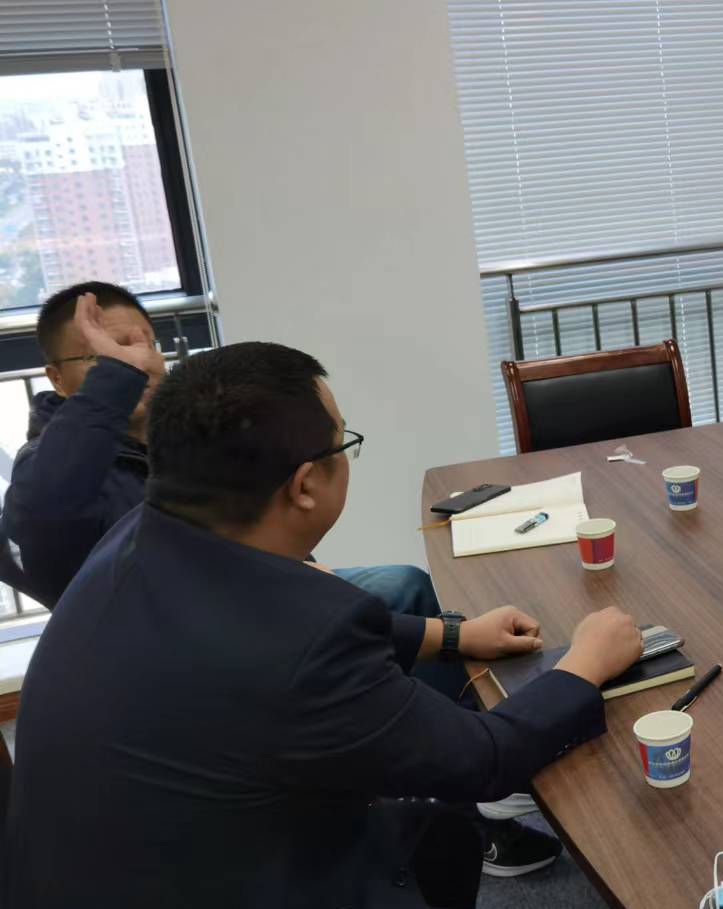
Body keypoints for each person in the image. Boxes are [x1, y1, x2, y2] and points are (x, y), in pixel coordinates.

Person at [1, 341, 645, 909]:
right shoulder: (302, 641)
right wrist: (583, 665)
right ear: (306, 485)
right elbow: (484, 758)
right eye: (345, 443)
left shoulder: (140, 535)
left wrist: (453, 635)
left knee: (438, 837)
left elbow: (289, 620)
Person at [0, 282, 559, 874]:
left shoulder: (176, 439)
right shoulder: (63, 472)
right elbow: (37, 528)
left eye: (143, 344)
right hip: (194, 686)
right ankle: (448, 778)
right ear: (57, 378)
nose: (139, 361)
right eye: (105, 354)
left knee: (402, 587)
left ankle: (442, 775)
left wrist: (451, 633)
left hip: (246, 613)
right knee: (389, 605)